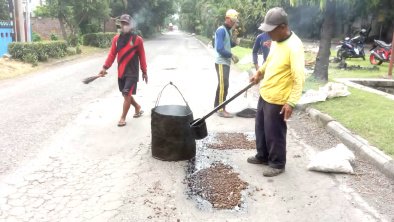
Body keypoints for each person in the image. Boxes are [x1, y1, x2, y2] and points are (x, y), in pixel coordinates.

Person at [247, 7, 305, 177]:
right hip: (266, 92)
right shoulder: (277, 41)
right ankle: (263, 155)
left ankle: (277, 163)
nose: (268, 34)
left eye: (270, 30)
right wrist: (259, 73)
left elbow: (298, 77)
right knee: (261, 128)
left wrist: (291, 102)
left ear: (282, 27)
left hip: (279, 98)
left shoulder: (294, 46)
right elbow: (269, 61)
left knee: (274, 132)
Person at [98, 14, 147, 127]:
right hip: (121, 72)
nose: (124, 25)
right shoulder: (116, 39)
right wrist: (104, 67)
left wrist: (144, 71)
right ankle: (137, 107)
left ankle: (123, 118)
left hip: (132, 72)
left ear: (131, 25)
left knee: (126, 93)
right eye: (122, 23)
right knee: (126, 95)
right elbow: (112, 54)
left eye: (126, 23)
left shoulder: (137, 40)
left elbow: (142, 56)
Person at [214, 9, 240, 118]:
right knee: (224, 85)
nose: (234, 23)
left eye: (235, 21)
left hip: (225, 62)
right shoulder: (221, 30)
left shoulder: (227, 30)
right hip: (221, 62)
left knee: (223, 85)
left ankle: (217, 106)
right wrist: (231, 55)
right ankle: (220, 109)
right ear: (227, 19)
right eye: (233, 20)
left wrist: (236, 42)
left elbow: (227, 44)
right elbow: (219, 48)